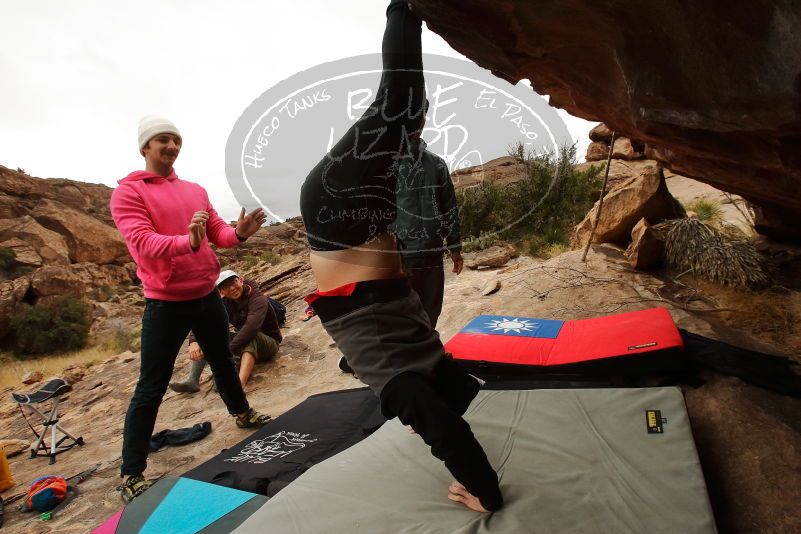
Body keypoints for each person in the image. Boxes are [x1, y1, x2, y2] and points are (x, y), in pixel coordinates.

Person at [299, 0, 502, 513]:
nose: (425, 418)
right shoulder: (431, 365)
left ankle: (402, 7)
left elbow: (447, 432)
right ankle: (406, 11)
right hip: (363, 220)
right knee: (407, 109)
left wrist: (485, 491)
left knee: (402, 104)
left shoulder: (402, 385)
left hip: (335, 214)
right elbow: (465, 400)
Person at [110, 116, 272, 504]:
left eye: (176, 140)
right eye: (163, 140)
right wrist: (187, 240)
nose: (171, 146)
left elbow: (220, 233)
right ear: (145, 147)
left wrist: (242, 233)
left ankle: (242, 412)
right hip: (165, 303)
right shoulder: (128, 193)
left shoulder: (195, 190)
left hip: (206, 297)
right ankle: (131, 473)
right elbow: (142, 242)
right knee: (152, 383)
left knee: (221, 359)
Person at [392, 102, 463, 328]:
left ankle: (413, 356)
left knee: (405, 313)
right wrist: (455, 249)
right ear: (422, 126)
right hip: (431, 251)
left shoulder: (384, 166)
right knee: (430, 311)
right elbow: (449, 209)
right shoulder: (437, 164)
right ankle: (427, 355)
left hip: (401, 256)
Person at [169, 270, 283, 392]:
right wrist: (193, 341)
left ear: (241, 280)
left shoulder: (257, 298)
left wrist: (227, 350)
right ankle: (192, 380)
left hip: (269, 344)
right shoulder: (224, 303)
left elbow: (252, 327)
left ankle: (239, 385)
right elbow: (204, 321)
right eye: (225, 287)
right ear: (221, 291)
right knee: (208, 336)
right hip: (242, 343)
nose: (232, 288)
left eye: (234, 282)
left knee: (251, 336)